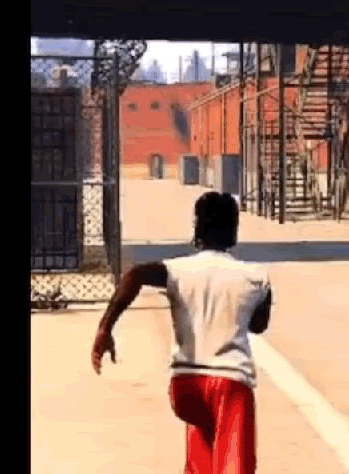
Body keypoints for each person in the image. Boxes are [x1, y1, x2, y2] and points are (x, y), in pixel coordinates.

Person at [91, 191, 272, 474]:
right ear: (234, 230)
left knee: (200, 465)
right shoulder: (256, 277)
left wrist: (105, 328)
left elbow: (134, 275)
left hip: (185, 386)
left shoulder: (177, 270)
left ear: (197, 229)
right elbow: (258, 325)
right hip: (229, 385)